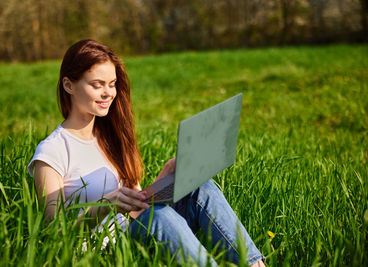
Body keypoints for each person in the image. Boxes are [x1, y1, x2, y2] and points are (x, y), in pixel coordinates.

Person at [27, 39, 265, 266]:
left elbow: (137, 210)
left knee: (201, 188)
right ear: (69, 85)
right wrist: (103, 206)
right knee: (159, 218)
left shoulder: (111, 137)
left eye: (112, 84)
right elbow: (54, 233)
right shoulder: (52, 152)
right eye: (96, 85)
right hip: (103, 253)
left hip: (134, 235)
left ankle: (255, 264)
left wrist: (164, 181)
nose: (108, 93)